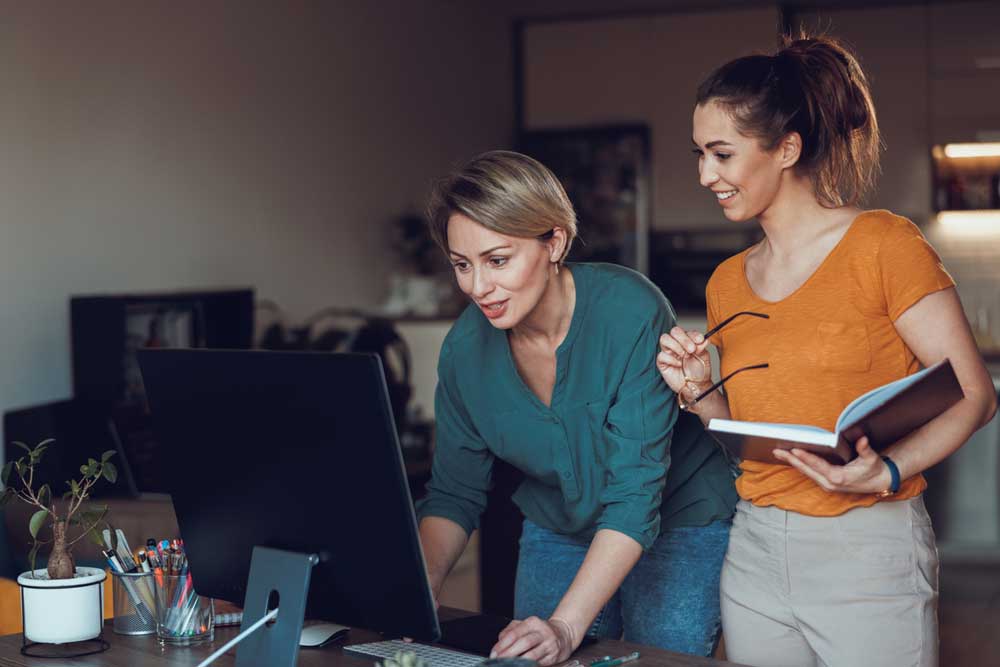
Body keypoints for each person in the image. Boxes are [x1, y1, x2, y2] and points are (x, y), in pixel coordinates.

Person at [656, 35, 998, 667]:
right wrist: (698, 388)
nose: (705, 174)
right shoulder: (725, 278)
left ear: (787, 148)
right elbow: (736, 427)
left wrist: (888, 470)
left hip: (868, 551)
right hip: (754, 547)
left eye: (721, 154)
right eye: (699, 154)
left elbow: (977, 395)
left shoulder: (884, 245)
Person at [415, 150, 737, 664]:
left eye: (498, 260)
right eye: (462, 265)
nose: (478, 287)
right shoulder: (463, 351)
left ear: (555, 242)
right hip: (560, 524)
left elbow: (635, 494)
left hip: (679, 520)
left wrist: (565, 626)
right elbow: (454, 492)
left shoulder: (630, 309)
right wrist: (420, 588)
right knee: (534, 656)